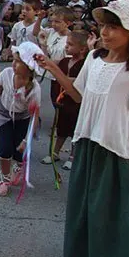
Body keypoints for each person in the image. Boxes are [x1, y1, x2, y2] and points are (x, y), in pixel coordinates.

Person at [37, 0, 129, 257]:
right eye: (104, 25)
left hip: (118, 151)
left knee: (113, 216)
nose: (105, 32)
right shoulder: (93, 60)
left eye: (114, 27)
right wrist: (53, 68)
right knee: (86, 209)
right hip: (88, 144)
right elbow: (79, 94)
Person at [0, 42, 42, 197]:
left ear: (29, 67)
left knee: (18, 150)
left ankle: (18, 166)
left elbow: (34, 116)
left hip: (22, 118)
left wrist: (26, 140)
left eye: (19, 62)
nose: (14, 64)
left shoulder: (34, 89)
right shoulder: (7, 74)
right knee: (5, 148)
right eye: (15, 60)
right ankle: (4, 179)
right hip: (3, 114)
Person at [42, 31, 89, 171]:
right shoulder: (64, 61)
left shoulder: (85, 64)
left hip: (76, 103)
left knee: (75, 129)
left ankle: (73, 156)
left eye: (70, 44)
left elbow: (80, 81)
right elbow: (51, 67)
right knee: (61, 128)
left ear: (82, 49)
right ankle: (55, 152)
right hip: (62, 101)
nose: (66, 47)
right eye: (66, 44)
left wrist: (65, 79)